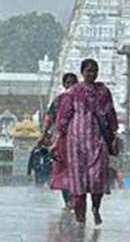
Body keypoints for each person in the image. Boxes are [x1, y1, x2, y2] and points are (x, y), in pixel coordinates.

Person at [51, 58, 118, 226]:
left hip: (97, 140)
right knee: (78, 181)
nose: (91, 74)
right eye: (88, 71)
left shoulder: (103, 92)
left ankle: (95, 207)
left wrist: (114, 133)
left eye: (94, 71)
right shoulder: (73, 92)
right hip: (76, 143)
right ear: (82, 72)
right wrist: (58, 137)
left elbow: (110, 113)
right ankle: (80, 217)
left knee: (97, 178)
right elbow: (64, 116)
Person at [44, 73, 78, 209]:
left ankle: (76, 200)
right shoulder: (59, 100)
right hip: (61, 140)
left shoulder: (82, 101)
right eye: (67, 83)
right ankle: (68, 201)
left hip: (78, 140)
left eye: (73, 83)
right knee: (62, 170)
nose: (70, 85)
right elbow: (50, 117)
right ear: (64, 84)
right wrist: (44, 133)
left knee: (76, 171)